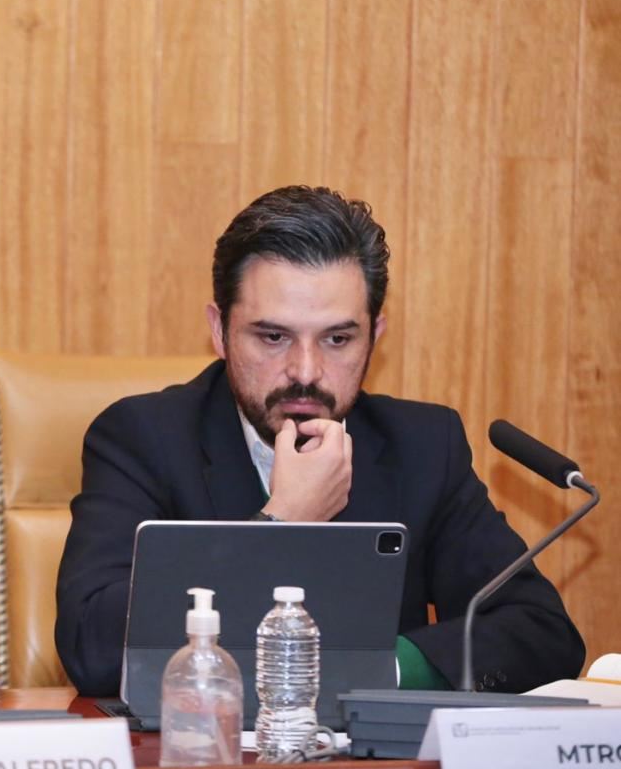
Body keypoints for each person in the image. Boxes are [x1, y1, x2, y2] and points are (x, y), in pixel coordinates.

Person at [55, 185, 585, 697]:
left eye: (337, 339)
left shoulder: (422, 447)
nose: (305, 372)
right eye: (273, 336)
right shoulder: (143, 439)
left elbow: (540, 633)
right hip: (203, 766)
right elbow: (93, 648)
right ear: (219, 331)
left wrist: (380, 671)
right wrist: (283, 522)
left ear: (374, 336)